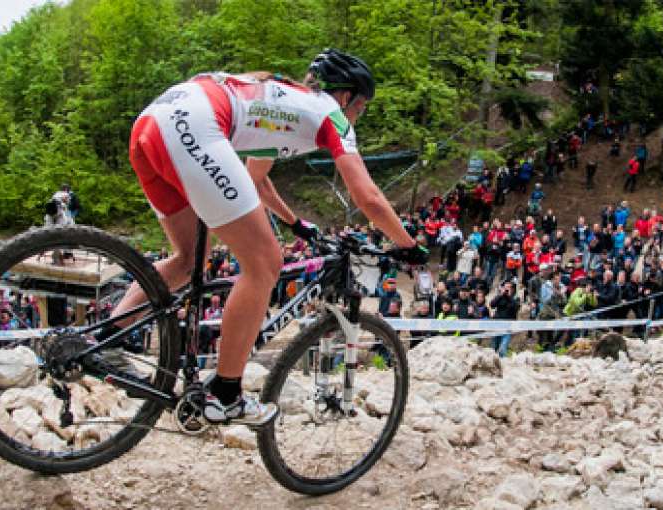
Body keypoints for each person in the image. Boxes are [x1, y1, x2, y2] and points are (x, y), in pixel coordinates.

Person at [96, 49, 427, 426]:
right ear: (347, 97)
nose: (358, 118)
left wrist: (296, 223)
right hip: (193, 125)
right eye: (362, 108)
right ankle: (226, 393)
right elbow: (368, 197)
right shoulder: (331, 116)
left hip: (154, 122)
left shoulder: (285, 101)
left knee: (189, 260)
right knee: (266, 263)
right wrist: (409, 246)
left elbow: (257, 181)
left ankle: (106, 338)